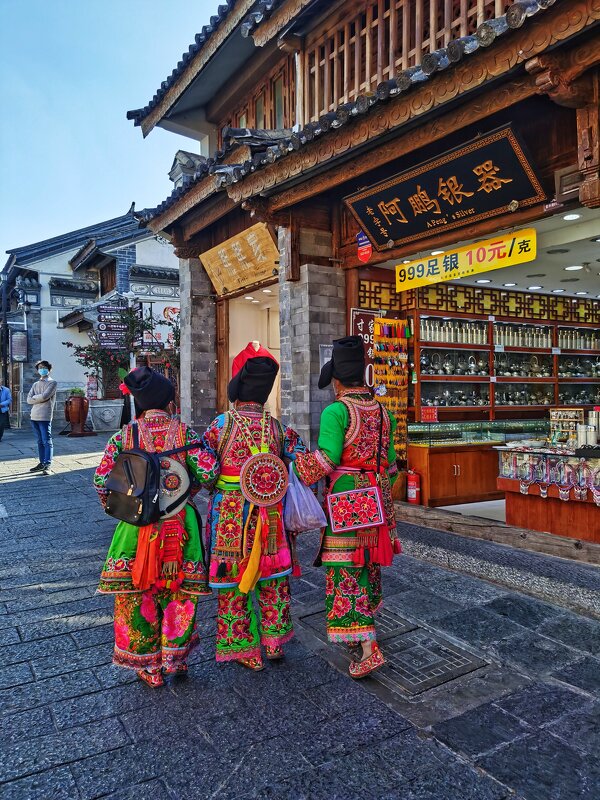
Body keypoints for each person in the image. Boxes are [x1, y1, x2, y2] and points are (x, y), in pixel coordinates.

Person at [94, 367, 218, 687]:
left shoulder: (124, 436)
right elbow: (208, 473)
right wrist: (186, 492)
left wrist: (124, 507)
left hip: (137, 527)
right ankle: (174, 658)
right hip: (180, 524)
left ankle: (149, 665)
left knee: (138, 595)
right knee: (179, 593)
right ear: (168, 402)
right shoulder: (186, 434)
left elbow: (101, 482)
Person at [294, 336, 401, 678]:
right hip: (378, 495)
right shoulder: (384, 413)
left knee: (346, 568)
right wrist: (378, 489)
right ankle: (364, 633)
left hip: (347, 500)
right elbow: (393, 463)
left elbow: (326, 460)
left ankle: (368, 647)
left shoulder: (337, 411)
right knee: (368, 564)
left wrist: (295, 468)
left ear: (337, 380)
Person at [202, 349, 306, 671]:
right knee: (272, 575)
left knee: (234, 580)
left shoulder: (221, 424)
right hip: (270, 512)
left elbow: (205, 469)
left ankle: (245, 647)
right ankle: (274, 641)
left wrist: (209, 486)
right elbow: (301, 457)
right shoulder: (277, 428)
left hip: (231, 513)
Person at [27, 360, 57, 475]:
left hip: (45, 415)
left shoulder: (52, 383)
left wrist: (35, 397)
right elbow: (28, 399)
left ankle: (47, 464)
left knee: (47, 440)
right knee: (39, 441)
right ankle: (41, 462)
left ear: (49, 369)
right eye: (39, 367)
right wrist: (37, 398)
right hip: (34, 415)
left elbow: (45, 396)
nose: (42, 369)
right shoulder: (35, 384)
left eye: (44, 367)